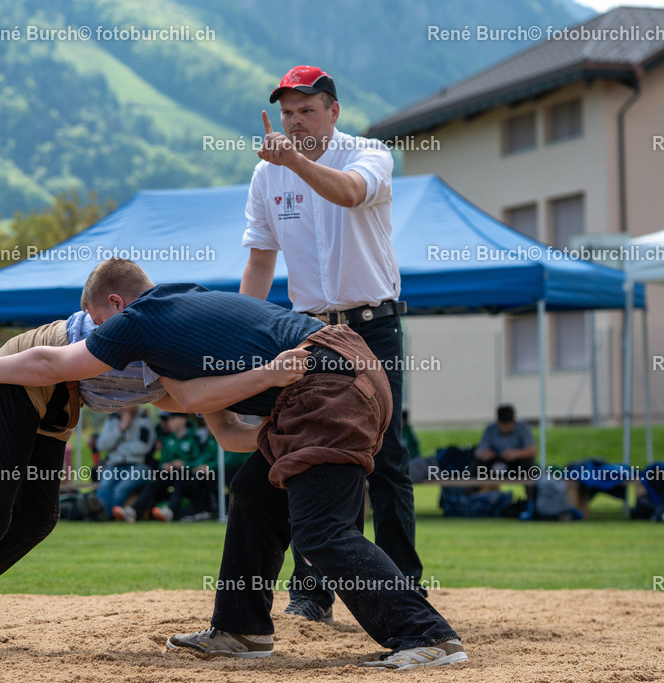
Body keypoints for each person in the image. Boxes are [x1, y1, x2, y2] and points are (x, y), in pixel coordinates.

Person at [0, 259, 465, 669]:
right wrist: (278, 435)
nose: (101, 337)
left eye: (99, 324)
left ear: (117, 305)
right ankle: (241, 630)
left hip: (326, 383)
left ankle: (426, 636)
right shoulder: (184, 310)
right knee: (254, 492)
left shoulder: (139, 320)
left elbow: (53, 364)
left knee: (322, 533)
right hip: (336, 376)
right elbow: (226, 432)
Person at [0, 308, 303, 651]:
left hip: (60, 402)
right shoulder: (146, 334)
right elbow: (45, 361)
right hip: (24, 378)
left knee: (36, 518)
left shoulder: (182, 359)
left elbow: (224, 429)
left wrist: (280, 428)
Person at [240, 64, 421, 622]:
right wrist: (244, 330)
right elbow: (259, 260)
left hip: (371, 325)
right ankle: (310, 595)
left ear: (334, 111)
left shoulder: (370, 154)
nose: (296, 122)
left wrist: (293, 160)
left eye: (307, 110)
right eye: (288, 113)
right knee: (306, 453)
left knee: (385, 457)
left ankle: (403, 589)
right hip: (311, 331)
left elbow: (347, 193)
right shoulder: (266, 175)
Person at [93, 405, 156, 514]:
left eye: (125, 404)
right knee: (104, 487)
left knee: (121, 489)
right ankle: (101, 515)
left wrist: (116, 447)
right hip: (114, 464)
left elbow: (143, 448)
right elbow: (101, 445)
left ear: (135, 405)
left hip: (138, 465)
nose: (121, 407)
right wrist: (121, 427)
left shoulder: (144, 421)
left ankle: (106, 515)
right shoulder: (112, 420)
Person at [475, 404, 537, 475]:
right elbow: (479, 451)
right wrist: (484, 454)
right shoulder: (490, 429)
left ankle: (530, 485)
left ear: (513, 422)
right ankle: (475, 485)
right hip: (495, 462)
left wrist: (516, 453)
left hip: (516, 463)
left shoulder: (523, 428)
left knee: (527, 464)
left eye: (507, 425)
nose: (505, 428)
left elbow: (532, 450)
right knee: (479, 464)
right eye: (502, 425)